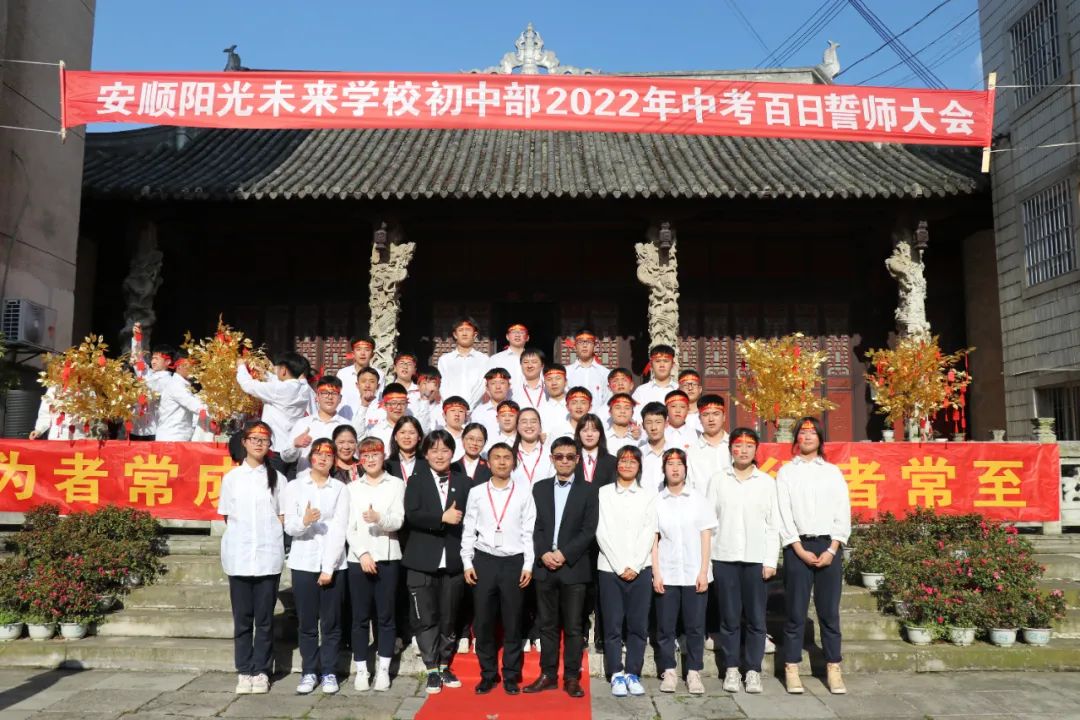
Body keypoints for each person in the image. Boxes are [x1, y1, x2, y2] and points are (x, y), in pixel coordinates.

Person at [777, 417, 850, 696]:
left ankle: (833, 666)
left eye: (812, 433)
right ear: (796, 438)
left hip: (828, 546)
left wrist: (832, 549)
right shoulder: (786, 472)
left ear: (820, 438)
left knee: (829, 613)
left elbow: (842, 511)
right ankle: (791, 667)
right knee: (795, 613)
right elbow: (784, 513)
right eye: (802, 433)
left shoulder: (832, 472)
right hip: (797, 547)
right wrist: (798, 549)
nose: (807, 437)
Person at [524, 436, 598, 699]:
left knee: (574, 627)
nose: (564, 461)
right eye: (559, 456)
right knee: (547, 625)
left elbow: (589, 529)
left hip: (573, 567)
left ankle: (571, 677)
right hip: (545, 566)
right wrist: (543, 552)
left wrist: (564, 554)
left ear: (577, 459)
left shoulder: (588, 490)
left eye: (569, 456)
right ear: (552, 459)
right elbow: (534, 525)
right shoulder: (540, 488)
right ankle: (547, 674)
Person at [461, 443, 536, 695]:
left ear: (514, 462)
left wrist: (528, 564)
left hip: (514, 561)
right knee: (483, 622)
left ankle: (511, 675)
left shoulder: (524, 493)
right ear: (489, 462)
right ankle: (488, 674)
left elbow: (529, 531)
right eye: (496, 458)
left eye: (506, 458)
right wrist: (467, 562)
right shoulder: (477, 492)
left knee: (513, 622)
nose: (502, 462)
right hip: (484, 560)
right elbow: (468, 529)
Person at [710, 428, 779, 695]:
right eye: (738, 445)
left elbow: (773, 525)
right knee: (729, 618)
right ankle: (731, 668)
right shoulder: (718, 480)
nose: (743, 450)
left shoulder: (766, 483)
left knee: (756, 619)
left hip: (755, 559)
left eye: (749, 446)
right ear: (731, 449)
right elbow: (709, 523)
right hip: (725, 557)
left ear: (756, 450)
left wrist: (770, 560)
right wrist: (708, 562)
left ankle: (752, 670)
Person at [402, 430, 472, 695]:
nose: (440, 455)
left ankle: (444, 664)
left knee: (449, 616)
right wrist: (442, 518)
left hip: (453, 561)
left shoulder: (464, 483)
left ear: (452, 453)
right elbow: (412, 515)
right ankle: (431, 668)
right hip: (422, 560)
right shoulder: (416, 480)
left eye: (445, 450)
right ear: (426, 454)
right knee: (425, 617)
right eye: (434, 450)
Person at [219, 421, 284, 695]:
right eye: (253, 438)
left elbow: (282, 515)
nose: (259, 443)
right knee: (243, 620)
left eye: (264, 439)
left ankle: (262, 671)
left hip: (268, 558)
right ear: (244, 442)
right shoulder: (232, 478)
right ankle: (244, 670)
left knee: (265, 620)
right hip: (240, 558)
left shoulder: (278, 478)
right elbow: (227, 515)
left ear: (270, 445)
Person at [283, 438, 350, 695]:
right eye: (319, 454)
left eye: (329, 455)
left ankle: (329, 670)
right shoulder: (295, 487)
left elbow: (339, 529)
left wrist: (328, 568)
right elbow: (290, 527)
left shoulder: (340, 489)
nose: (323, 458)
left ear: (334, 460)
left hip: (333, 564)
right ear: (311, 457)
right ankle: (309, 670)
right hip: (303, 562)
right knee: (307, 623)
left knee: (331, 623)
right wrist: (305, 521)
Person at [653, 448, 716, 696]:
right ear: (664, 469)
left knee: (695, 626)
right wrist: (656, 573)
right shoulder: (657, 501)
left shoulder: (698, 500)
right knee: (665, 626)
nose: (675, 469)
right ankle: (668, 670)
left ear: (686, 469)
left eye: (679, 464)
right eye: (670, 464)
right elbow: (654, 540)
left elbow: (706, 536)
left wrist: (703, 571)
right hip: (667, 572)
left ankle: (693, 671)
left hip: (694, 572)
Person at [347, 437, 406, 692]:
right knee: (360, 617)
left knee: (386, 616)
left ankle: (383, 669)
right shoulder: (352, 488)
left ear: (384, 457)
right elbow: (349, 527)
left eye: (375, 454)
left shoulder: (396, 484)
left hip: (388, 556)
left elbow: (398, 520)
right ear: (360, 459)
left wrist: (378, 518)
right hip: (359, 559)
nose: (371, 460)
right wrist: (362, 554)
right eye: (366, 455)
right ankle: (362, 669)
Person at [596, 445, 656, 697]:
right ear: (616, 464)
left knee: (638, 625)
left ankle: (633, 672)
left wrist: (636, 564)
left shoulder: (648, 495)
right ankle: (616, 673)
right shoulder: (604, 493)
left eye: (633, 461)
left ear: (639, 466)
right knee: (612, 624)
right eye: (623, 460)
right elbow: (601, 531)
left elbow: (649, 531)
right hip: (610, 568)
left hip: (641, 568)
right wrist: (620, 565)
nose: (628, 465)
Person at [236, 352, 314, 475]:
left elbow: (248, 385)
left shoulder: (279, 390)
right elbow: (278, 383)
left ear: (283, 370)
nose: (276, 371)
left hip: (276, 450)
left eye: (278, 368)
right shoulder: (305, 389)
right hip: (295, 448)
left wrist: (241, 366)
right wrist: (265, 373)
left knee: (274, 484)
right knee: (291, 484)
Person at [282, 376, 350, 473]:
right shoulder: (303, 423)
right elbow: (286, 458)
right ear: (317, 397)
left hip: (335, 479)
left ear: (340, 398)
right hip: (305, 479)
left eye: (334, 393)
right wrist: (295, 445)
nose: (329, 397)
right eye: (325, 393)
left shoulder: (347, 426)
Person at [127, 322, 174, 440]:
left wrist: (138, 380)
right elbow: (138, 358)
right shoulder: (150, 374)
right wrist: (137, 338)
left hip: (153, 429)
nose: (153, 361)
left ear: (168, 362)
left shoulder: (169, 381)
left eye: (157, 359)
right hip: (136, 427)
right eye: (152, 358)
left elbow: (150, 388)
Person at [437, 318, 489, 409]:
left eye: (468, 330)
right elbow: (442, 386)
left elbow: (482, 386)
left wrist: (468, 407)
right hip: (451, 410)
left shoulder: (484, 360)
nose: (464, 333)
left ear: (475, 334)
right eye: (460, 330)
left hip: (476, 409)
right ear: (455, 334)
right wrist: (453, 407)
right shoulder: (445, 360)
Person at [156, 351, 208, 442]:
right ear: (179, 366)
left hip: (179, 438)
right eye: (190, 365)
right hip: (171, 438)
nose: (193, 369)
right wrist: (219, 413)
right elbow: (195, 406)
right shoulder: (175, 386)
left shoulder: (184, 385)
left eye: (194, 366)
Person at [368, 383, 429, 453]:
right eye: (393, 403)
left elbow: (424, 431)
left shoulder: (414, 428)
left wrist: (425, 400)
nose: (398, 407)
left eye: (402, 403)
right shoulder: (376, 431)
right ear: (384, 405)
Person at [687, 394, 730, 495]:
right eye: (705, 414)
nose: (711, 419)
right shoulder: (691, 452)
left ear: (724, 416)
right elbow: (689, 487)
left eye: (716, 414)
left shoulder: (736, 447)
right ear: (699, 418)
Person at [337, 337, 384, 421]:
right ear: (353, 353)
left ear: (372, 354)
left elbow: (380, 401)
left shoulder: (380, 374)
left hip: (370, 422)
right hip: (346, 421)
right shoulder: (342, 374)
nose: (362, 353)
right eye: (358, 349)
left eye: (367, 350)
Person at [566, 329, 610, 408]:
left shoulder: (605, 373)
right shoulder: (567, 372)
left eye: (589, 342)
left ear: (595, 346)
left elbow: (608, 400)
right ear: (575, 346)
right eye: (580, 342)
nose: (584, 346)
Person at [511, 407, 553, 486]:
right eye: (524, 422)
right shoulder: (509, 454)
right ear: (517, 427)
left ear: (540, 427)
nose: (529, 425)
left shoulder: (550, 454)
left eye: (533, 422)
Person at [639, 401, 674, 492]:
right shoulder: (638, 455)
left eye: (658, 422)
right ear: (643, 425)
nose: (653, 427)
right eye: (649, 422)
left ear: (666, 423)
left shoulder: (675, 453)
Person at [574, 413, 616, 487]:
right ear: (578, 434)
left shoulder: (612, 461)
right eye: (585, 430)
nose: (589, 434)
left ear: (600, 434)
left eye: (594, 430)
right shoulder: (571, 460)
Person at [632, 345, 678, 410]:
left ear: (672, 364)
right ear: (651, 364)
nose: (662, 365)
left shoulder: (679, 389)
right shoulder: (641, 391)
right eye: (657, 361)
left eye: (666, 361)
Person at [472, 367, 513, 441]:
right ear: (487, 387)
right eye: (493, 383)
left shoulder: (517, 410)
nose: (498, 387)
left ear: (509, 386)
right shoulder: (478, 412)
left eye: (502, 383)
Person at [488, 323, 529, 390]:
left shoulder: (534, 360)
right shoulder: (496, 359)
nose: (517, 335)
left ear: (527, 338)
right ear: (507, 337)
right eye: (513, 332)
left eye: (521, 332)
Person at [538, 364, 573, 440]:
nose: (554, 383)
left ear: (566, 382)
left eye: (558, 378)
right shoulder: (540, 411)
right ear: (544, 384)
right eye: (549, 379)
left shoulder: (575, 408)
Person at [386, 415, 426, 481]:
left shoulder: (428, 464)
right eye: (402, 432)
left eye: (412, 433)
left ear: (419, 437)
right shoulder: (387, 465)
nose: (407, 437)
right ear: (395, 436)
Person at [441, 396, 470, 463]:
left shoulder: (470, 437)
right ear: (444, 415)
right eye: (452, 410)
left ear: (466, 416)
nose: (457, 414)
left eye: (461, 411)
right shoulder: (438, 436)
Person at [678, 369, 705, 435]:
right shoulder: (674, 415)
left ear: (700, 389)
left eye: (694, 384)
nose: (690, 388)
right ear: (679, 390)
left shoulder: (707, 414)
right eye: (685, 385)